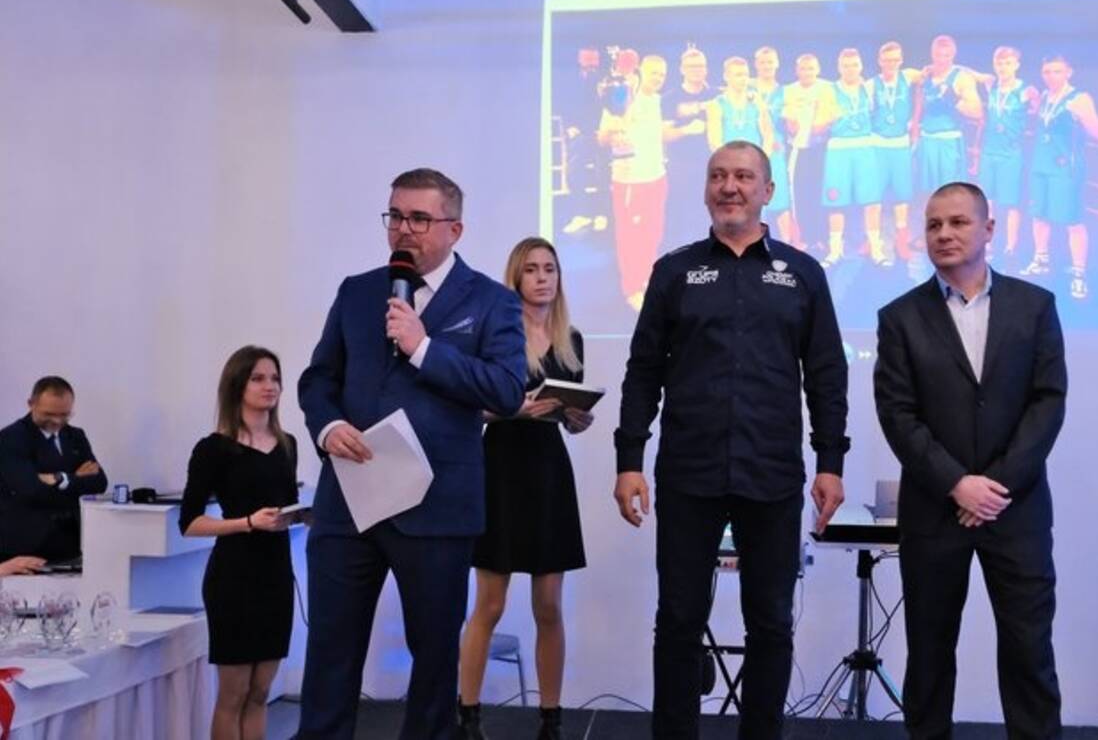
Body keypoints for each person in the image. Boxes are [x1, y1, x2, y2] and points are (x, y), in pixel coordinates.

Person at [614, 141, 849, 740]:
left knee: (770, 624)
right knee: (678, 621)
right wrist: (629, 460)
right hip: (687, 475)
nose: (729, 187)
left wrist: (830, 462)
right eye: (718, 176)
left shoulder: (803, 274)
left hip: (772, 477)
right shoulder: (674, 271)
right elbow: (643, 371)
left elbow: (826, 374)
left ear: (768, 190)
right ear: (705, 189)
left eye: (743, 176)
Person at [295, 167, 526, 740]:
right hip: (349, 502)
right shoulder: (357, 292)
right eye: (395, 216)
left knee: (434, 658)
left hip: (437, 506)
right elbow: (318, 379)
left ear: (455, 229)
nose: (403, 229)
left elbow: (506, 390)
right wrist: (327, 426)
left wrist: (424, 349)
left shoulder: (491, 302)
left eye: (419, 219)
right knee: (329, 653)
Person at [874, 181, 1066, 740]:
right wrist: (958, 484)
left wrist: (993, 487)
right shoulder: (899, 317)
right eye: (934, 225)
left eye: (958, 222)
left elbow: (1047, 402)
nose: (944, 234)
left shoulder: (1035, 307)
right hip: (935, 512)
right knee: (929, 656)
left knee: (1029, 653)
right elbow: (898, 414)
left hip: (1016, 509)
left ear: (988, 229)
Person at [458, 237, 593, 740]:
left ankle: (550, 720)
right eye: (532, 269)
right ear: (516, 277)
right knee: (489, 605)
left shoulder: (570, 339)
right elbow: (470, 409)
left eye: (550, 269)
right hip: (500, 466)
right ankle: (468, 716)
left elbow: (568, 414)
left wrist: (577, 419)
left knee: (549, 607)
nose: (542, 277)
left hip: (548, 471)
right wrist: (514, 409)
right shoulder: (496, 334)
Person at [180, 345, 300, 740]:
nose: (270, 386)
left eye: (275, 378)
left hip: (276, 575)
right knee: (233, 694)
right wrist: (247, 523)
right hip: (234, 578)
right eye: (258, 378)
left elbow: (285, 504)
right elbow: (190, 523)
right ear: (237, 385)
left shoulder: (288, 444)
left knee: (261, 692)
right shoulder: (213, 448)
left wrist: (300, 516)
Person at [1022, 54, 1098, 300]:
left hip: (1065, 168)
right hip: (1041, 164)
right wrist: (1033, 101)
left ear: (1069, 72)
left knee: (1073, 222)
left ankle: (1079, 274)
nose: (1051, 76)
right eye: (1047, 71)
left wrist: (1085, 116)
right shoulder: (1045, 96)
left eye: (1057, 71)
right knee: (1038, 215)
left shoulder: (1080, 98)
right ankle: (1041, 260)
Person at [0, 377, 108, 563]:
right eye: (49, 414)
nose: (57, 421)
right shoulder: (11, 438)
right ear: (31, 404)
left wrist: (59, 478)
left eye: (65, 414)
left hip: (70, 543)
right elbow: (30, 490)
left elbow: (99, 483)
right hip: (25, 547)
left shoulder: (76, 436)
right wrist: (77, 478)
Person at [598, 54, 674, 312]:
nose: (658, 78)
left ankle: (645, 279)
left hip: (656, 175)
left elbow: (658, 134)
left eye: (662, 74)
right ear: (641, 70)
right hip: (630, 179)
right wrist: (615, 135)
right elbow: (602, 136)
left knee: (653, 232)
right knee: (630, 236)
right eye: (653, 73)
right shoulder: (622, 95)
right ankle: (631, 288)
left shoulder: (657, 100)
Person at [815, 47, 882, 267]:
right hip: (839, 148)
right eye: (846, 65)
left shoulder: (869, 88)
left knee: (872, 200)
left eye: (854, 65)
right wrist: (828, 118)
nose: (850, 69)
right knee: (836, 201)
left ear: (861, 66)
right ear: (839, 67)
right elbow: (818, 125)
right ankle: (835, 251)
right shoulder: (829, 91)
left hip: (865, 147)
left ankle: (876, 249)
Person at [976, 47, 1039, 263]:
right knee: (987, 201)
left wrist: (1035, 105)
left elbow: (1041, 110)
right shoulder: (991, 84)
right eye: (1000, 63)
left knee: (1011, 202)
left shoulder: (1025, 90)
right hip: (989, 151)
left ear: (1017, 65)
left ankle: (1011, 247)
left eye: (1008, 63)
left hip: (1011, 152)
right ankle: (988, 244)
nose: (1003, 68)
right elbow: (966, 72)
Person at [868, 41, 924, 263]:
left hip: (900, 144)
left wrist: (980, 77)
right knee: (874, 195)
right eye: (887, 60)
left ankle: (901, 239)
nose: (891, 64)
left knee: (902, 195)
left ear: (901, 61)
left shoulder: (908, 77)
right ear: (879, 61)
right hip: (878, 144)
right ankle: (872, 239)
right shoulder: (871, 85)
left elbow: (938, 71)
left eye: (895, 60)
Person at [662, 46, 718, 251]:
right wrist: (686, 130)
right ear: (682, 69)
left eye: (701, 66)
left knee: (707, 217)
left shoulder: (716, 95)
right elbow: (665, 135)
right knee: (678, 217)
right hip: (681, 166)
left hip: (712, 168)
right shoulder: (670, 98)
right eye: (692, 66)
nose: (697, 70)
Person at [917, 35, 983, 197]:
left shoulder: (962, 78)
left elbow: (977, 111)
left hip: (949, 141)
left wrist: (955, 100)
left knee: (951, 191)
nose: (942, 60)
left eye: (946, 55)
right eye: (938, 55)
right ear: (932, 54)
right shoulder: (925, 76)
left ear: (953, 55)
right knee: (928, 193)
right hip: (927, 140)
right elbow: (919, 103)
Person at [782, 53, 834, 252]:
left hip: (820, 147)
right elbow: (789, 122)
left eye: (811, 68)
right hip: (797, 149)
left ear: (818, 69)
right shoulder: (789, 91)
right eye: (803, 69)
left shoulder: (827, 88)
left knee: (821, 192)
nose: (807, 72)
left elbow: (828, 118)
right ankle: (804, 237)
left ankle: (822, 237)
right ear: (797, 71)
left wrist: (819, 123)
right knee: (801, 194)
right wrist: (794, 126)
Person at [753, 46, 794, 241]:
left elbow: (792, 124)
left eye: (770, 62)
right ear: (756, 65)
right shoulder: (748, 89)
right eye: (762, 62)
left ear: (777, 64)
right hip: (751, 147)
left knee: (779, 197)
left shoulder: (786, 92)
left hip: (776, 149)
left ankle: (787, 243)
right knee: (752, 197)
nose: (766, 66)